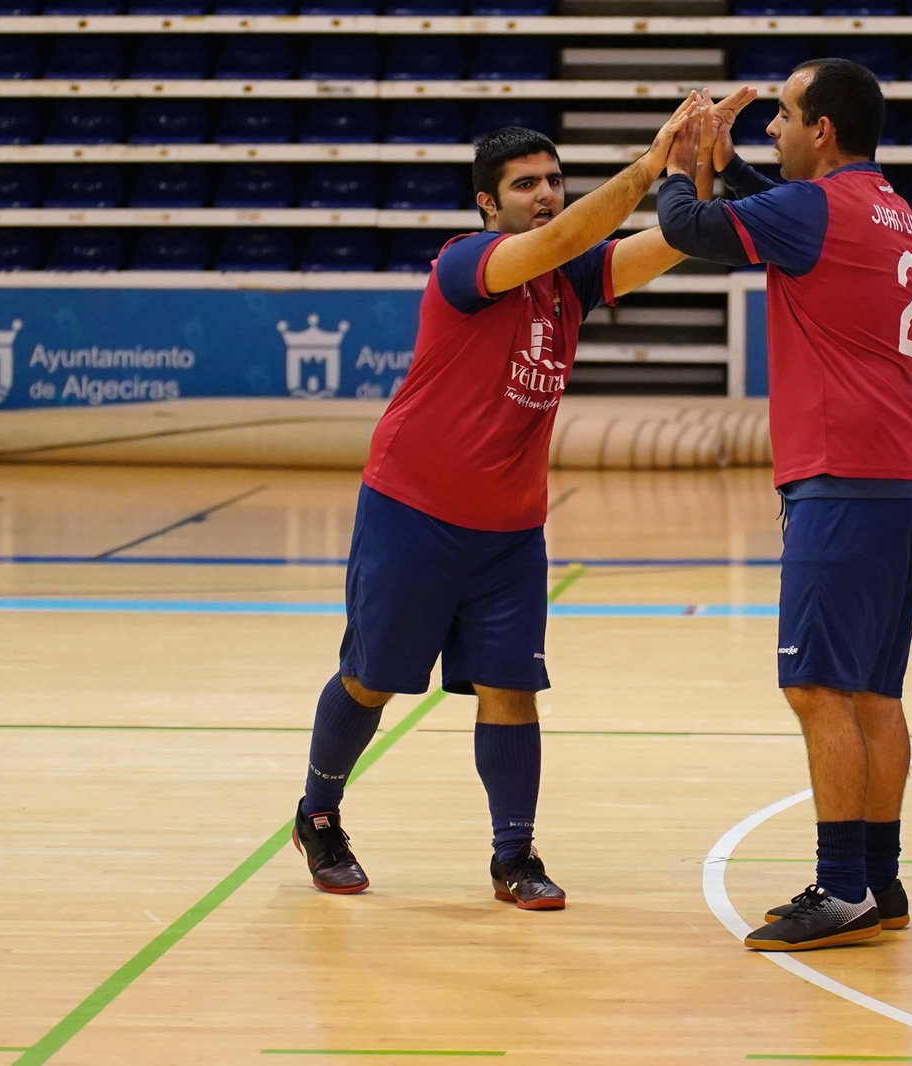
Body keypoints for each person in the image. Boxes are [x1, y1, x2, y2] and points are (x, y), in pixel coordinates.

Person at [292, 96, 703, 910]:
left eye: (554, 180)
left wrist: (698, 175)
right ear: (489, 203)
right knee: (371, 680)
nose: (545, 195)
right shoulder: (466, 263)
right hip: (413, 510)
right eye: (525, 185)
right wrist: (650, 167)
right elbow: (560, 238)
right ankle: (319, 813)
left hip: (512, 528)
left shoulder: (570, 280)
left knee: (512, 688)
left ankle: (513, 855)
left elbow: (669, 241)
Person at [658, 63, 912, 951]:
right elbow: (767, 210)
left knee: (816, 687)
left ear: (821, 129)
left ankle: (842, 887)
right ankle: (881, 880)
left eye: (781, 116)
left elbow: (689, 226)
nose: (772, 130)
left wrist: (677, 159)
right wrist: (726, 155)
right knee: (872, 693)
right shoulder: (881, 206)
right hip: (903, 475)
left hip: (842, 476)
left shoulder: (818, 211)